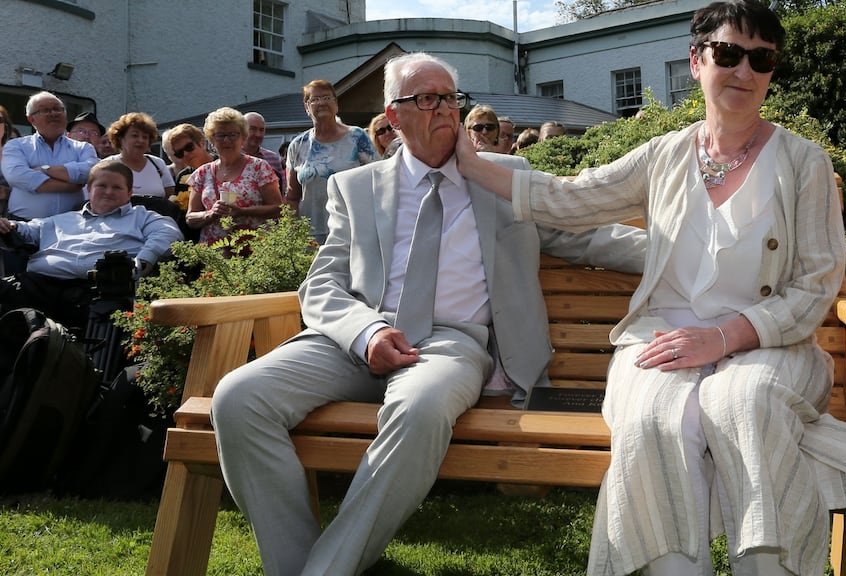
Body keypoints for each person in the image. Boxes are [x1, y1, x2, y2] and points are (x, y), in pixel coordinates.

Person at [457, 2, 846, 574]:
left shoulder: (804, 164)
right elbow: (570, 198)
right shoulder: (665, 155)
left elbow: (817, 284)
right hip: (661, 334)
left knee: (743, 401)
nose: (744, 71)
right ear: (696, 60)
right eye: (728, 54)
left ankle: (767, 568)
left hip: (772, 345)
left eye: (761, 58)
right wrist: (470, 163)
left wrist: (725, 338)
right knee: (655, 417)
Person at [209, 52, 646, 576]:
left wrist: (698, 252)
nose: (443, 109)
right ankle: (300, 564)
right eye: (425, 98)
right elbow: (321, 284)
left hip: (449, 345)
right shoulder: (357, 187)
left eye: (449, 98)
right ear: (393, 115)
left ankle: (325, 571)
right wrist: (365, 331)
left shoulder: (503, 177)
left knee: (419, 407)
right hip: (356, 340)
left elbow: (589, 236)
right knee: (237, 399)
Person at [0, 159, 182, 329]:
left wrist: (143, 262)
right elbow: (26, 230)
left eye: (116, 187)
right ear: (89, 189)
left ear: (129, 193)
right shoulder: (61, 219)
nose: (108, 192)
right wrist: (9, 225)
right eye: (101, 185)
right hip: (40, 287)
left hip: (98, 293)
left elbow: (168, 233)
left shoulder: (143, 217)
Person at [285, 79, 379, 244]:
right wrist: (294, 234)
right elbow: (292, 197)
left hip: (352, 231)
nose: (321, 103)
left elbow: (377, 181)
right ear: (307, 108)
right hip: (310, 237)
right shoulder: (298, 145)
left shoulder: (357, 138)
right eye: (314, 99)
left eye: (327, 98)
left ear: (336, 104)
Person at [185, 107, 282, 245]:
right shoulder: (202, 173)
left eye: (233, 135)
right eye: (221, 135)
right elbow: (190, 218)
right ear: (212, 140)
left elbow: (278, 208)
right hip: (214, 256)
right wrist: (210, 213)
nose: (227, 140)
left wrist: (242, 211)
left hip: (255, 252)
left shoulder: (259, 167)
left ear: (243, 138)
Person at [1, 91, 97, 220]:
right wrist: (70, 185)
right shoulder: (16, 146)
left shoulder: (83, 147)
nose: (54, 113)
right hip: (24, 225)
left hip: (72, 227)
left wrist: (45, 170)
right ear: (31, 119)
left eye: (58, 109)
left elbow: (90, 172)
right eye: (46, 110)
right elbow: (17, 176)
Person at [107, 112, 175, 198]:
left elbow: (171, 198)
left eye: (145, 137)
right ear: (120, 139)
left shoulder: (158, 164)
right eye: (135, 135)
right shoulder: (108, 165)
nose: (141, 140)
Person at [242, 112, 285, 187]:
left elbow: (283, 189)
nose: (258, 134)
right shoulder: (232, 158)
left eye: (261, 130)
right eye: (253, 129)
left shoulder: (273, 158)